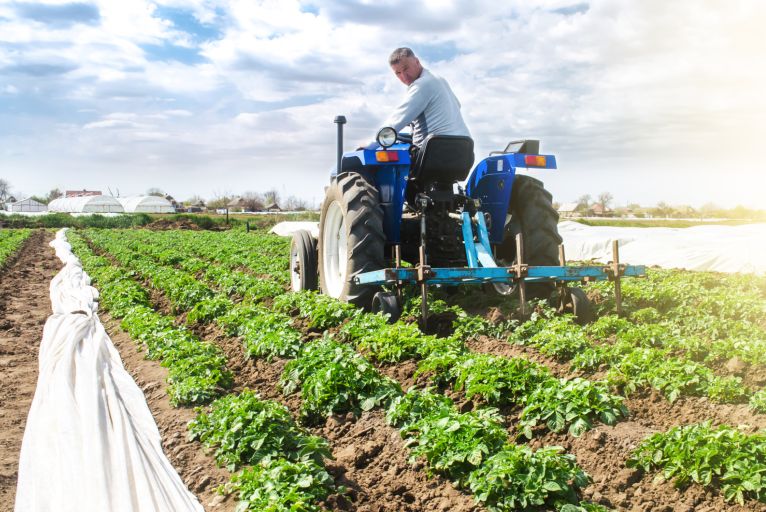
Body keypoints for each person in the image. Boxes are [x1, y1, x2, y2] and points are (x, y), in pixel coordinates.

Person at [382, 47, 471, 148]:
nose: (404, 76)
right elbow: (457, 105)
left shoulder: (421, 85)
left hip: (436, 152)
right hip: (465, 149)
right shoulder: (439, 79)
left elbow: (397, 120)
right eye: (398, 73)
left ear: (417, 62)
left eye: (406, 68)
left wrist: (370, 144)